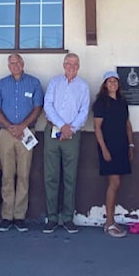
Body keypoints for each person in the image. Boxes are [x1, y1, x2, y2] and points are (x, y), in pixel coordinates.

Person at [0, 53, 43, 232]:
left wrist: (22, 126)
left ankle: (19, 216)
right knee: (7, 175)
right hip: (6, 133)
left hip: (27, 133)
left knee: (23, 175)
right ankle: (6, 216)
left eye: (17, 62)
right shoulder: (1, 84)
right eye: (11, 63)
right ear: (8, 65)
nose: (15, 65)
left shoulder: (34, 83)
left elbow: (38, 108)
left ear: (23, 63)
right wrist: (10, 126)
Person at [42, 52, 90, 234]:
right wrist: (62, 126)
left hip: (73, 134)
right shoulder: (55, 82)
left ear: (79, 66)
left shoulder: (83, 86)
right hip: (53, 131)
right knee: (51, 176)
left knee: (70, 177)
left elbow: (84, 111)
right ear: (63, 65)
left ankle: (68, 217)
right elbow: (48, 105)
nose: (71, 67)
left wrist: (70, 129)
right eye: (68, 63)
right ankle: (52, 217)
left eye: (75, 64)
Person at [93, 71, 133, 238]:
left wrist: (131, 145)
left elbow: (127, 124)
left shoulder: (122, 102)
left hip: (122, 146)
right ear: (105, 84)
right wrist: (104, 149)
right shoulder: (101, 103)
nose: (113, 84)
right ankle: (109, 222)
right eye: (110, 81)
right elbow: (97, 128)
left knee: (118, 183)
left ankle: (111, 220)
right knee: (113, 183)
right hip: (108, 147)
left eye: (115, 81)